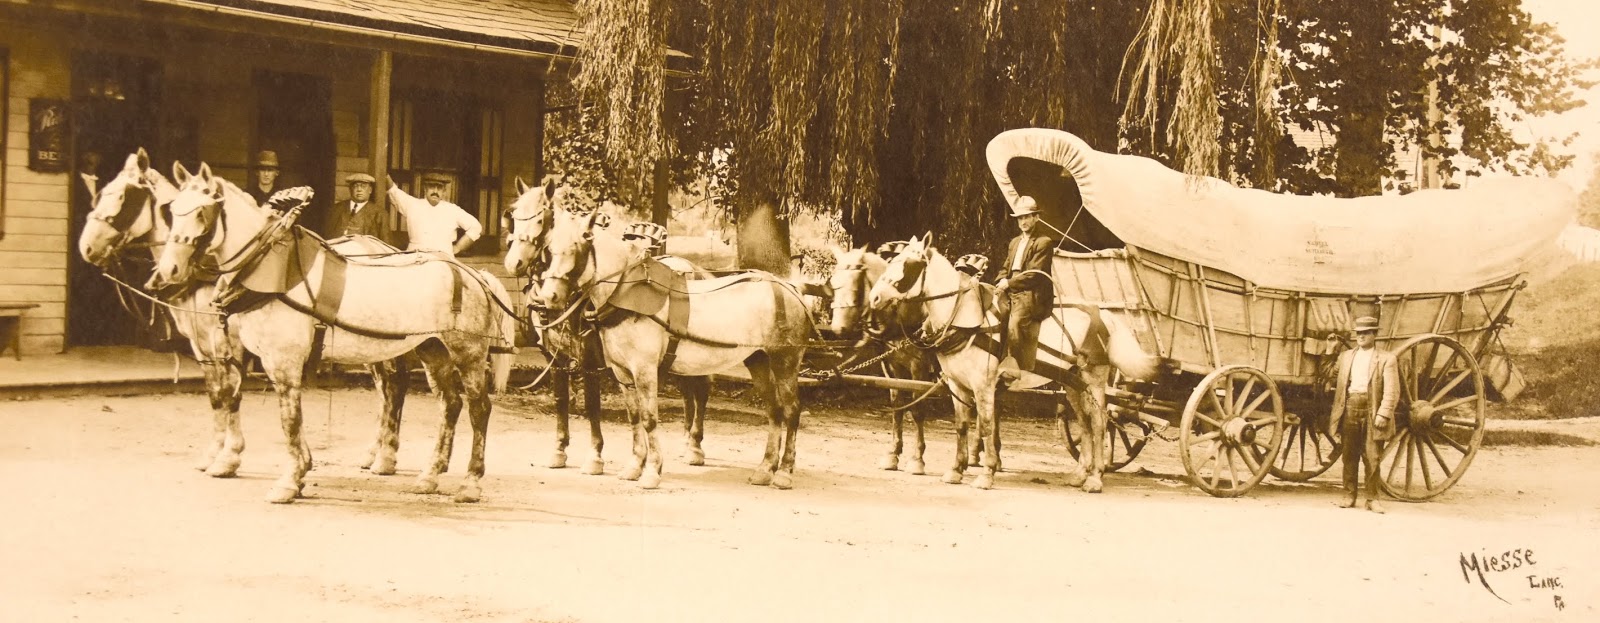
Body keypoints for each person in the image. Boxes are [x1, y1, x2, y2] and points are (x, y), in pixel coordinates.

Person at [1328, 315, 1399, 514]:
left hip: (1372, 409)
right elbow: (1331, 375)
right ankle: (1349, 495)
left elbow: (1392, 391)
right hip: (1350, 407)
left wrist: (1383, 414)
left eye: (1366, 333)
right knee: (1349, 454)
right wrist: (1329, 350)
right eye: (1358, 333)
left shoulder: (1387, 359)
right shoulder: (1346, 356)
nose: (1361, 336)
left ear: (1374, 335)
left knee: (1372, 456)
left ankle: (1372, 498)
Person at [995, 195, 1056, 372]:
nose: (1023, 221)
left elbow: (1034, 275)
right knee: (990, 314)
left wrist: (1009, 283)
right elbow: (1006, 266)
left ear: (1036, 218)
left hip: (1030, 293)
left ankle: (1016, 370)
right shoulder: (1015, 242)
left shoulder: (1044, 242)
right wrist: (1000, 281)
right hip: (1010, 289)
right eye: (1020, 218)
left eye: (1027, 217)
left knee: (1015, 325)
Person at [387, 173, 481, 259]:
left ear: (444, 191)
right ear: (425, 188)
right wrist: (385, 174)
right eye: (432, 186)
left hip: (443, 259)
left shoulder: (452, 210)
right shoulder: (412, 204)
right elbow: (393, 191)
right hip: (415, 257)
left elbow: (476, 227)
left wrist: (458, 247)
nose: (435, 191)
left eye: (439, 188)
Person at [327, 173, 388, 242]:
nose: (359, 189)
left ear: (370, 190)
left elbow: (386, 243)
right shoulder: (337, 209)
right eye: (355, 186)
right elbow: (327, 236)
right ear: (350, 189)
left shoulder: (380, 213)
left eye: (363, 186)